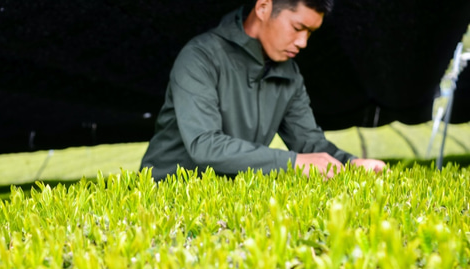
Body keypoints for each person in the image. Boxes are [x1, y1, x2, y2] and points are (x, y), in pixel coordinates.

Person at [140, 0, 386, 181]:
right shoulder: (200, 57)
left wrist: (352, 163)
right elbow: (204, 146)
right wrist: (294, 163)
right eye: (298, 27)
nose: (303, 42)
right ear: (263, 8)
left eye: (310, 33)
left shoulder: (290, 74)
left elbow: (308, 143)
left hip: (232, 198)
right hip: (166, 194)